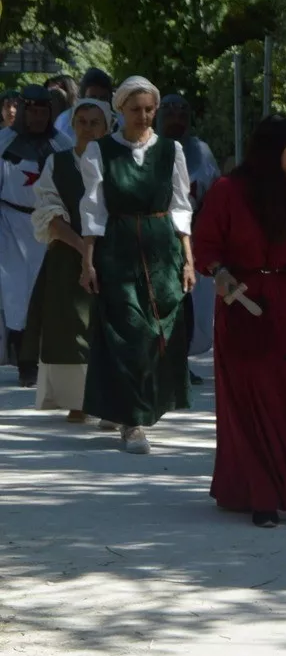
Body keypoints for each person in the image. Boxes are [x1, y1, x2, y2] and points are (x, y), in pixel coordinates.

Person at [190, 115, 286, 526]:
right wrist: (220, 273)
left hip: (284, 300)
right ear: (272, 152)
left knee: (283, 394)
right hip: (242, 301)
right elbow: (206, 245)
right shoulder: (228, 190)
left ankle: (280, 483)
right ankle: (259, 495)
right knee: (247, 397)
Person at [79, 76, 195, 454]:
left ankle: (128, 403)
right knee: (128, 331)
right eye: (135, 109)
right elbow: (93, 211)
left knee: (160, 331)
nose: (143, 116)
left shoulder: (171, 150)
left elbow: (181, 207)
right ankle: (132, 422)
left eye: (149, 109)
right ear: (121, 110)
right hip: (119, 248)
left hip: (163, 250)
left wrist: (189, 260)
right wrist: (88, 260)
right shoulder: (100, 152)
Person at [24, 98, 113, 417]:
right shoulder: (58, 163)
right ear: (72, 125)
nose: (87, 128)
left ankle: (113, 402)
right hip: (68, 254)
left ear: (107, 127)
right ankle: (77, 401)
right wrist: (82, 248)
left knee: (111, 326)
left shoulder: (118, 162)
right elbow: (49, 211)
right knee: (70, 326)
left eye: (94, 123)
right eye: (81, 122)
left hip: (113, 255)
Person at [0, 85, 60, 384]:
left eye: (43, 111)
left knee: (46, 294)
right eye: (33, 111)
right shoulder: (3, 143)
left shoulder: (62, 144)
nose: (38, 117)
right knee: (15, 294)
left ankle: (40, 359)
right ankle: (21, 358)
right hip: (10, 225)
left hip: (50, 226)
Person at [159, 94, 223, 364]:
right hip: (157, 236)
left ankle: (180, 360)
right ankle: (160, 360)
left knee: (189, 302)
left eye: (183, 115)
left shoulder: (201, 151)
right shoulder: (146, 147)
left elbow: (215, 192)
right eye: (170, 114)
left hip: (191, 238)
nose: (177, 120)